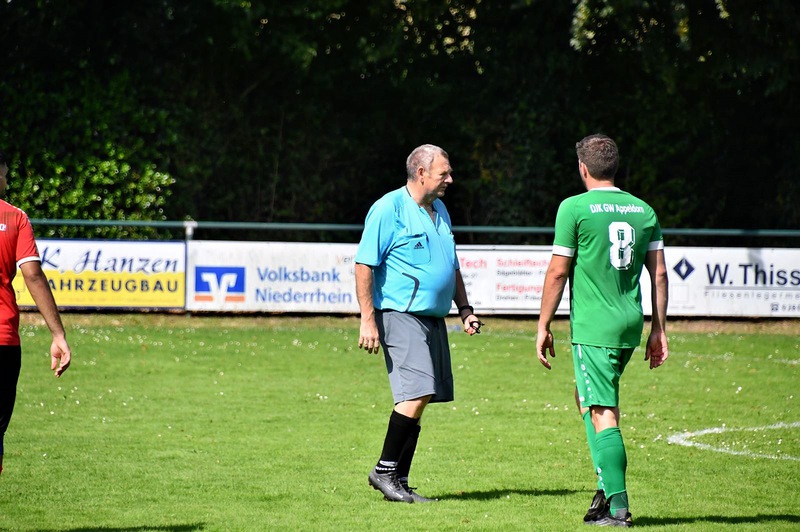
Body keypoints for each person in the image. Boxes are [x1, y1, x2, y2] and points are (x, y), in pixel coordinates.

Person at [535, 134, 669, 527]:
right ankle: (604, 486)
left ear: (583, 167)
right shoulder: (643, 209)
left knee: (602, 410)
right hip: (630, 323)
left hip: (594, 327)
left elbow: (558, 271)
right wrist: (659, 330)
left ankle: (618, 507)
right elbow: (659, 273)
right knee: (586, 396)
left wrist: (543, 325)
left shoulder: (574, 207)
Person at [355, 144, 481, 503]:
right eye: (444, 173)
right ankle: (384, 471)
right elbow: (364, 264)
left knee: (421, 398)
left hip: (433, 319)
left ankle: (399, 480)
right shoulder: (388, 208)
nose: (450, 179)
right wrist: (368, 319)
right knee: (417, 392)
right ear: (421, 173)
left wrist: (465, 309)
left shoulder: (440, 209)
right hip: (400, 314)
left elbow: (451, 266)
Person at [0, 149, 72, 476]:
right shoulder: (15, 218)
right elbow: (32, 275)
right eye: (4, 175)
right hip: (3, 339)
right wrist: (58, 334)